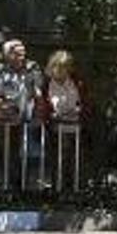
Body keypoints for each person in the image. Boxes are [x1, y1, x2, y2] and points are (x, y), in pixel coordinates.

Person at [0, 39, 44, 188]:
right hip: (5, 120)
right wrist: (2, 107)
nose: (21, 57)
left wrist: (37, 114)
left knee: (26, 155)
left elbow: (38, 93)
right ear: (7, 55)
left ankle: (24, 188)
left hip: (26, 120)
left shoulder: (32, 68)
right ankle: (8, 187)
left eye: (23, 54)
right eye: (17, 54)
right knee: (7, 155)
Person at [38, 50, 91, 191]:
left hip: (77, 127)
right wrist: (51, 115)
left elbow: (86, 103)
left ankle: (77, 190)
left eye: (66, 66)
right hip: (56, 129)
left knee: (76, 160)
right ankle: (59, 190)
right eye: (59, 66)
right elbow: (43, 106)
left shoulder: (77, 82)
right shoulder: (47, 85)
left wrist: (80, 111)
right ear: (52, 67)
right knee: (59, 160)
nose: (63, 70)